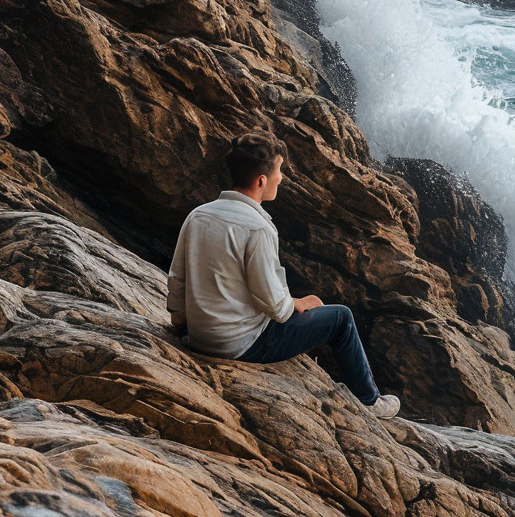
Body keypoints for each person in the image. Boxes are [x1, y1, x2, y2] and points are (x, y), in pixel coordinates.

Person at [166, 130, 400, 419]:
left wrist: (180, 321)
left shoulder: (199, 214)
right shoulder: (258, 227)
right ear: (261, 181)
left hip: (197, 337)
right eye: (279, 170)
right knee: (341, 318)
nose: (282, 177)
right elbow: (275, 307)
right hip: (239, 344)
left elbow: (177, 277)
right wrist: (299, 303)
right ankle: (370, 401)